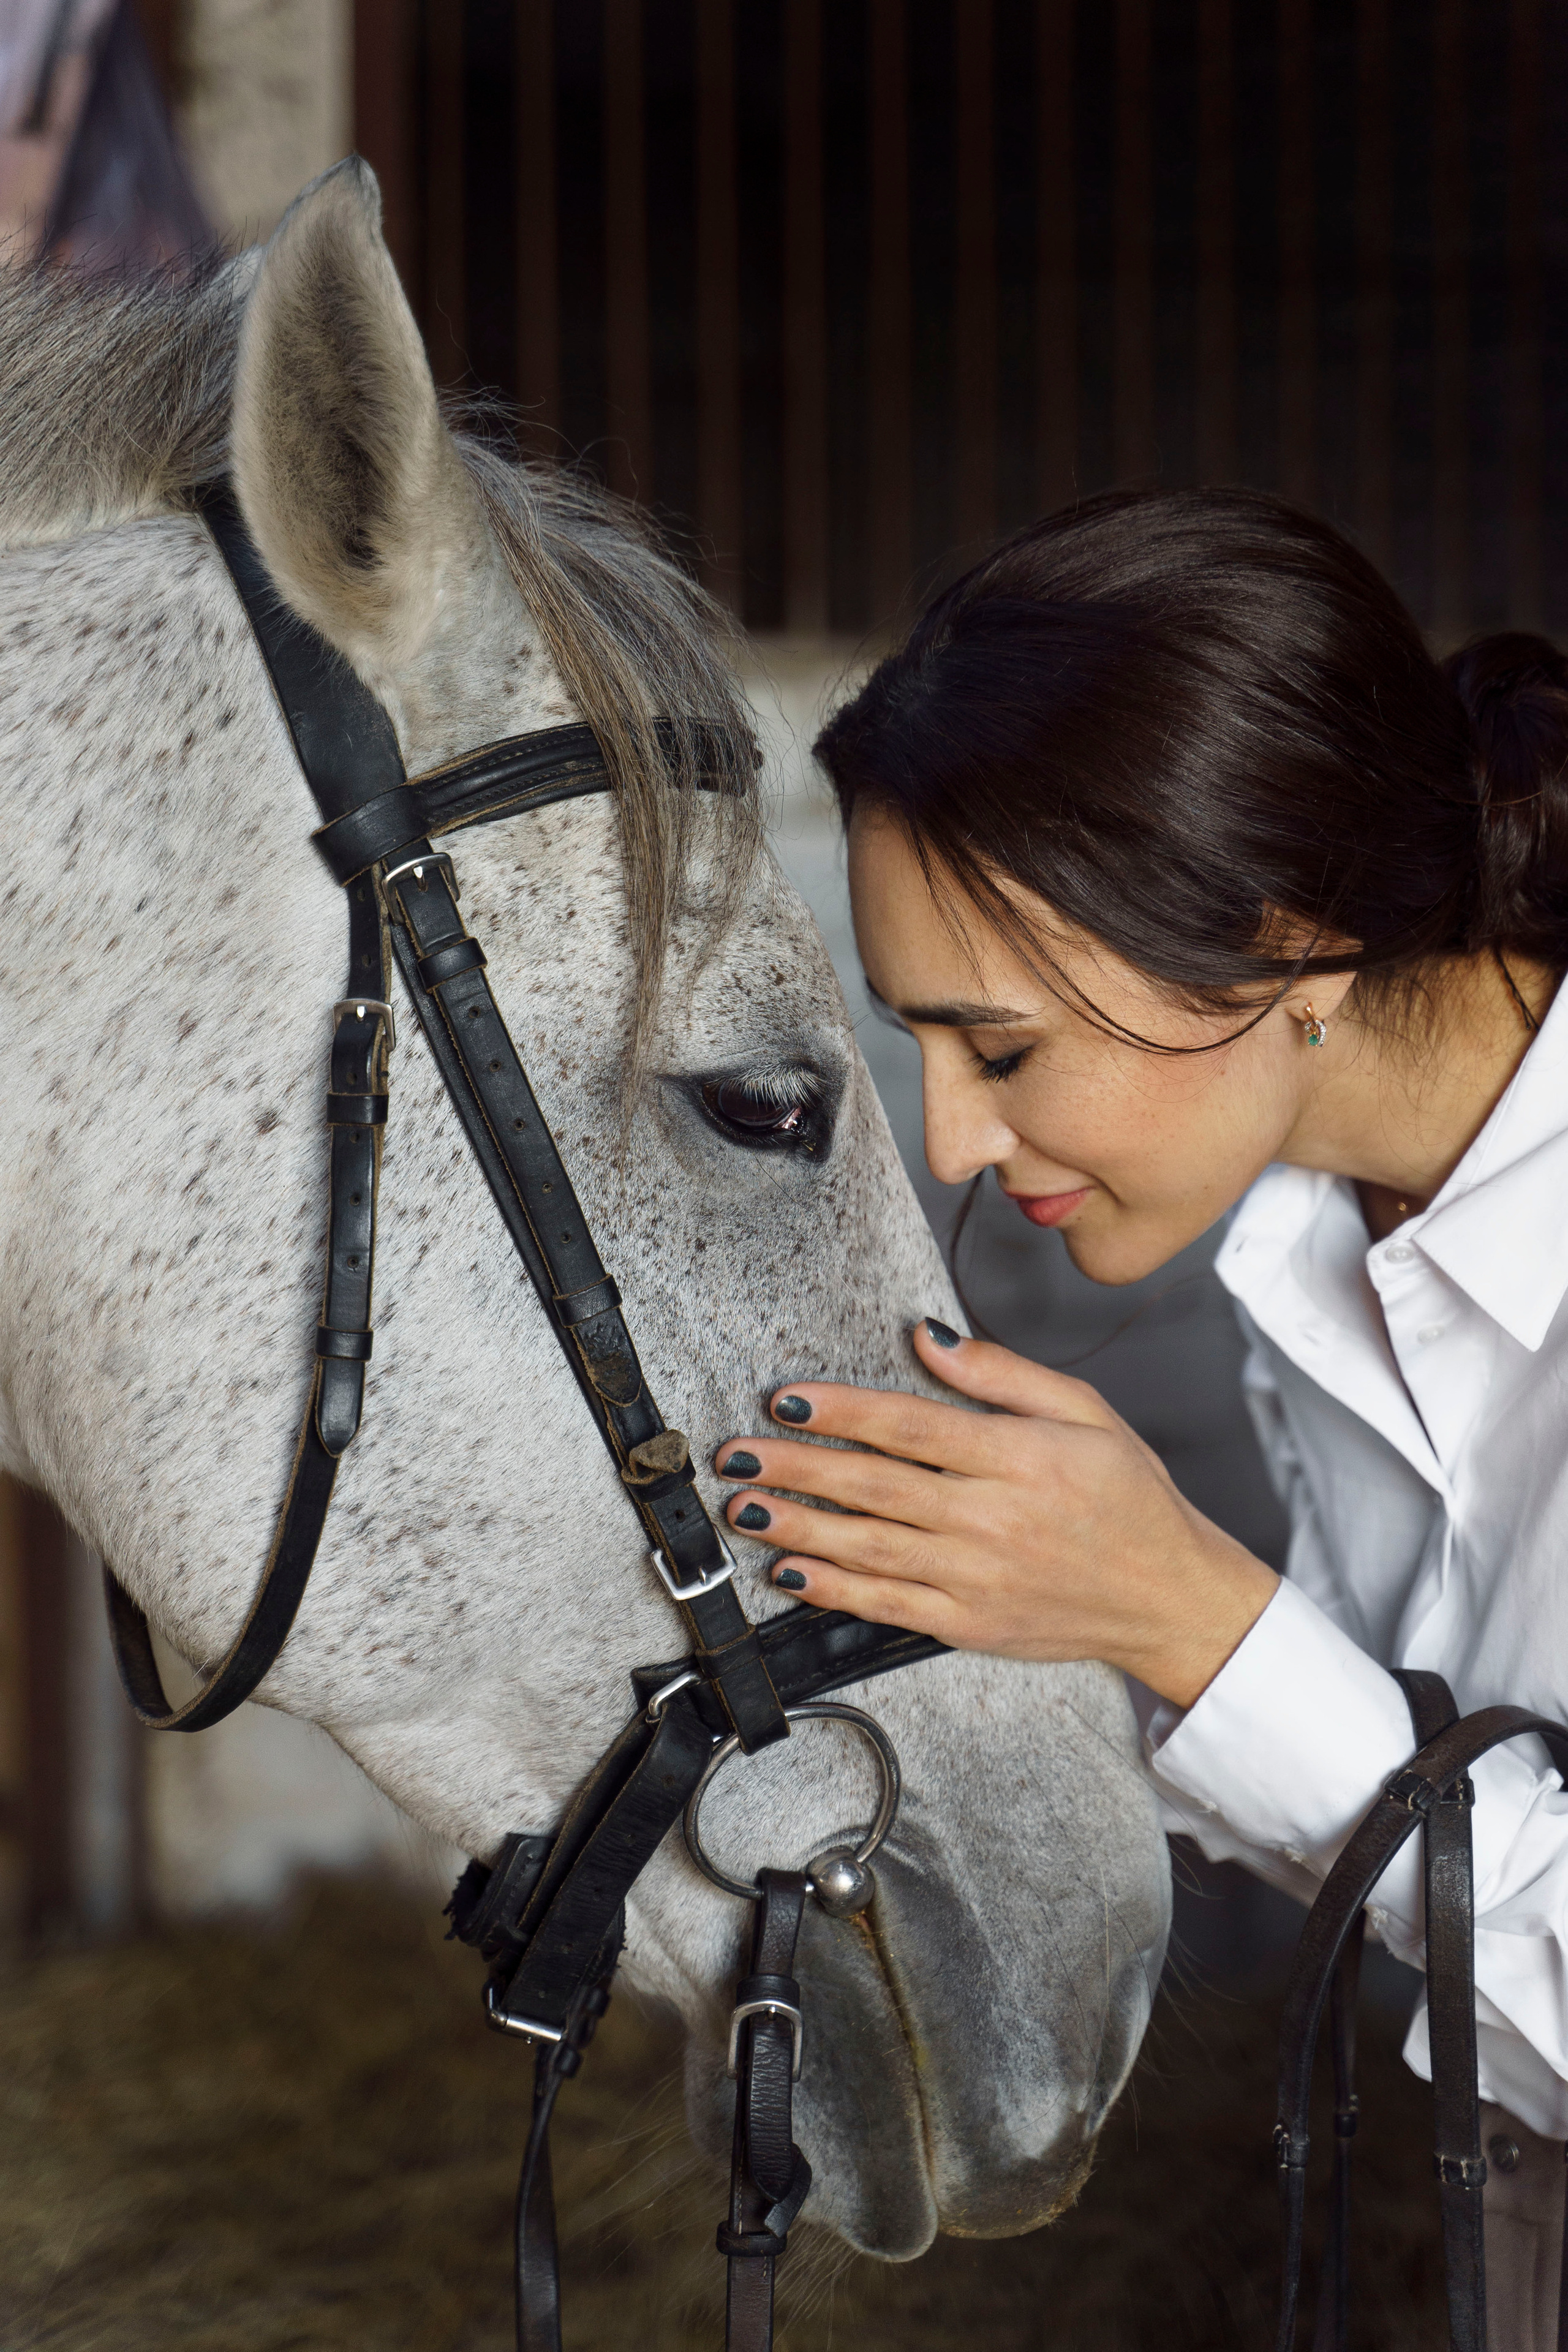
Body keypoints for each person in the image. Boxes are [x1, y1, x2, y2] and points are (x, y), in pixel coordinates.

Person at [714, 488, 1568, 2350]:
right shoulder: (1314, 1233)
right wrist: (1046, 1639)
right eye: (922, 1045)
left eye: (1004, 1048)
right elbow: (1407, 1816)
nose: (953, 1139)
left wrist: (1188, 1615)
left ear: (1287, 942)